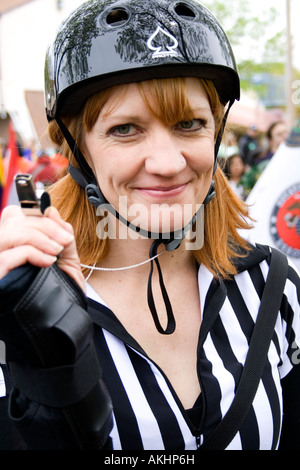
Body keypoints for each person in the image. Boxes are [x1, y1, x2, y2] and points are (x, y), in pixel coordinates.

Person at [0, 0, 299, 451]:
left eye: (189, 124)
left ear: (215, 133)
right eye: (125, 129)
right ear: (77, 147)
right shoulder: (18, 307)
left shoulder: (273, 286)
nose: (167, 162)